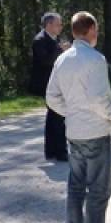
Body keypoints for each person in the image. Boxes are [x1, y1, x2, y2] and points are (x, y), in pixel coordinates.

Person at [46, 12, 111, 223]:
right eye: (95, 29)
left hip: (74, 131)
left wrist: (72, 112)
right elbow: (99, 97)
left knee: (76, 187)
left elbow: (51, 97)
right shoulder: (95, 59)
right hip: (95, 131)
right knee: (99, 188)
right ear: (89, 30)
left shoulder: (63, 59)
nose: (97, 34)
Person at [30, 12, 69, 161]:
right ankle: (60, 152)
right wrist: (61, 51)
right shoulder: (39, 40)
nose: (61, 27)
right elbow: (46, 60)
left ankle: (52, 151)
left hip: (57, 84)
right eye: (58, 24)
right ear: (49, 25)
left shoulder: (55, 39)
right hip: (46, 85)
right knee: (58, 116)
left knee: (54, 117)